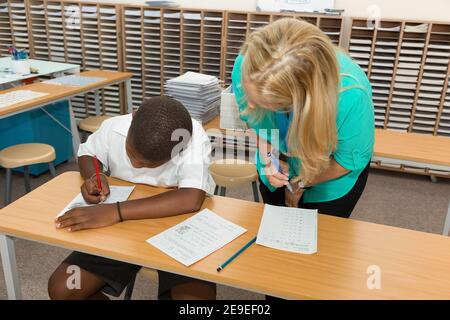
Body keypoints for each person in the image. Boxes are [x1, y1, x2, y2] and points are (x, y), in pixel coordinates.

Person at [48, 96, 217, 300]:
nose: (136, 165)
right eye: (131, 153)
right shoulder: (115, 126)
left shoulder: (191, 138)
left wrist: (115, 211)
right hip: (124, 233)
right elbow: (89, 153)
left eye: (148, 164)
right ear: (133, 118)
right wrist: (95, 175)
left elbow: (190, 198)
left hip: (179, 230)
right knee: (62, 289)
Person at [231, 17, 374, 218]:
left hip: (331, 176)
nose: (251, 105)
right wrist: (269, 161)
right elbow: (256, 123)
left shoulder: (350, 97)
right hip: (279, 169)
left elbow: (346, 162)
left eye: (264, 101)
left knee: (324, 240)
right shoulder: (248, 66)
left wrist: (300, 183)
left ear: (297, 100)